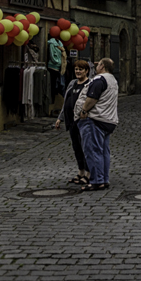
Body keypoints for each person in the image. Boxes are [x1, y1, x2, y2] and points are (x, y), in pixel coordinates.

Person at [75, 57, 119, 191]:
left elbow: (92, 98)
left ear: (102, 66)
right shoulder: (113, 80)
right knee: (103, 151)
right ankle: (103, 179)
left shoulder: (100, 80)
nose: (96, 65)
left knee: (93, 151)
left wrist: (83, 110)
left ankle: (96, 181)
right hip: (108, 120)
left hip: (95, 120)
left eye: (98, 64)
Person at [53, 57, 91, 185]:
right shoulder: (72, 83)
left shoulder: (89, 84)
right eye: (76, 69)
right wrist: (60, 118)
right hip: (71, 121)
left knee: (85, 147)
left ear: (86, 71)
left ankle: (88, 173)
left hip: (82, 121)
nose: (78, 72)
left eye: (80, 69)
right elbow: (66, 103)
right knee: (76, 147)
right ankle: (80, 172)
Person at [46, 32, 65, 104]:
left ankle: (56, 101)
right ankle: (52, 102)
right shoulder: (52, 44)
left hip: (59, 67)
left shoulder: (60, 44)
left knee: (59, 84)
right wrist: (56, 61)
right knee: (53, 84)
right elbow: (52, 54)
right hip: (53, 66)